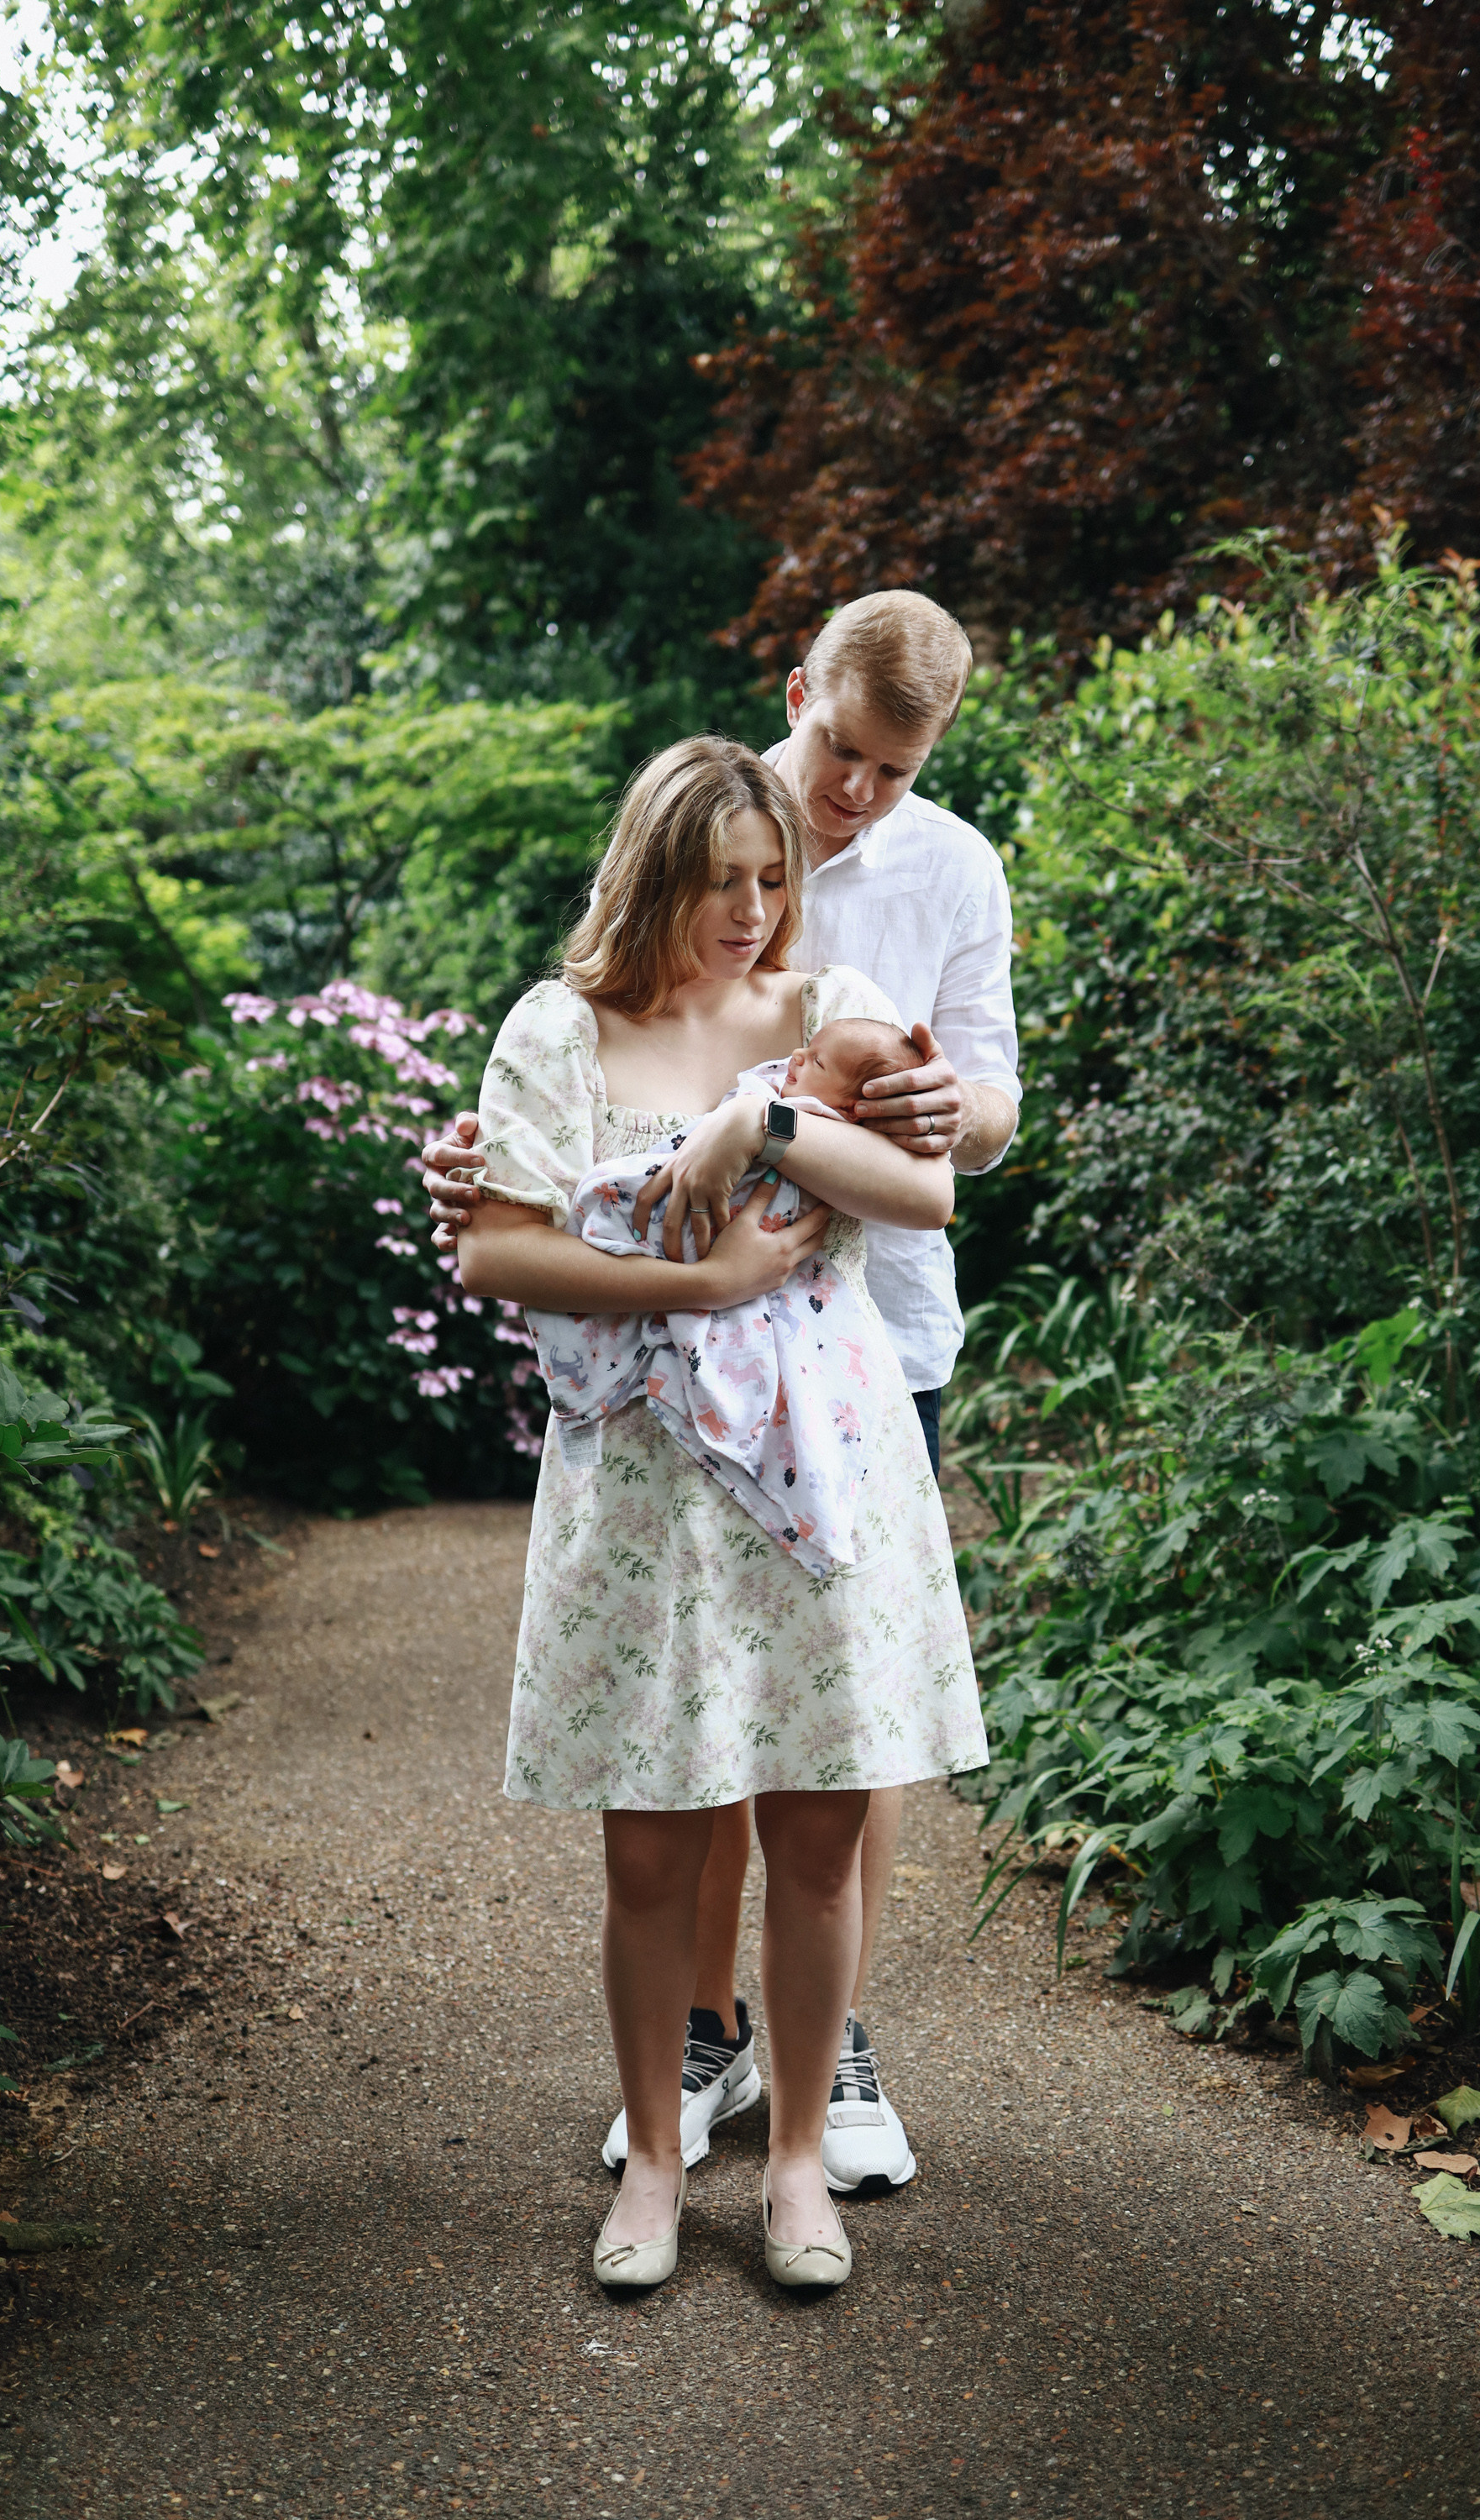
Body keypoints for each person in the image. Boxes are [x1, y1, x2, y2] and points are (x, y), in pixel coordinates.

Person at [425, 588, 1021, 2196]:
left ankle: (821, 2084)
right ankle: (697, 2039)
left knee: (838, 1743)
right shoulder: (697, 846)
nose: (855, 802)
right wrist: (626, 1239)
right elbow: (519, 1201)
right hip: (655, 1404)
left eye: (896, 773)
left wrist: (800, 1118)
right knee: (690, 1751)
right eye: (842, 754)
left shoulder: (934, 893)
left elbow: (969, 1129)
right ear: (799, 696)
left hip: (858, 1364)